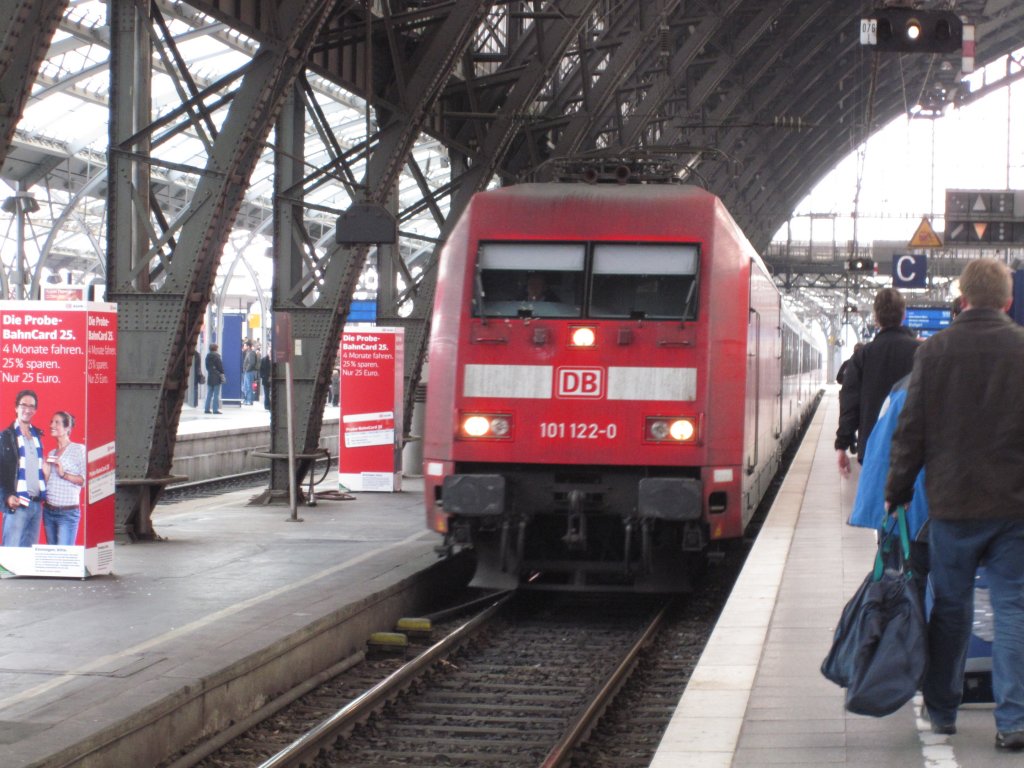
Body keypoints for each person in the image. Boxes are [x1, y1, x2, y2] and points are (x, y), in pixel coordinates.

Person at [886, 258, 1024, 750]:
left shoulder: (936, 349)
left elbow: (912, 429)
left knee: (950, 607)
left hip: (952, 504)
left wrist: (896, 491)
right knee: (1013, 609)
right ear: (1007, 302)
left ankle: (943, 711)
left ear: (962, 299)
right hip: (1014, 509)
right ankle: (1013, 721)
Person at [835, 287, 918, 476]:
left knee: (876, 498)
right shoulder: (921, 353)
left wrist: (842, 445)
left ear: (876, 318)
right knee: (905, 502)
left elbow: (850, 403)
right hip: (911, 448)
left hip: (872, 447)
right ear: (903, 315)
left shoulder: (862, 356)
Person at [0, 389, 46, 547]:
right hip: (17, 504)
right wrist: (6, 496)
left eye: (31, 406)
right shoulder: (6, 436)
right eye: (23, 405)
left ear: (35, 410)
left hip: (36, 505)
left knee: (29, 559)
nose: (27, 409)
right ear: (16, 407)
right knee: (10, 558)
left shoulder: (37, 437)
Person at [41, 411, 85, 546]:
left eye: (56, 422)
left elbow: (84, 481)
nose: (51, 425)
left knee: (64, 556)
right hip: (48, 510)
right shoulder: (51, 453)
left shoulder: (79, 449)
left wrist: (64, 474)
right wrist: (46, 474)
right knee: (52, 555)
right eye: (51, 422)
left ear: (67, 428)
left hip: (67, 512)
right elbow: (48, 483)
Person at [205, 343, 225, 415]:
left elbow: (207, 367)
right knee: (216, 394)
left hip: (210, 376)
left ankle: (206, 409)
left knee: (209, 393)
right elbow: (220, 367)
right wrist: (222, 373)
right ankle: (215, 409)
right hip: (216, 377)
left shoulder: (207, 356)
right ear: (216, 349)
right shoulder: (217, 356)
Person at [241, 340, 258, 405]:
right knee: (246, 386)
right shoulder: (248, 352)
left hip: (249, 372)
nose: (244, 346)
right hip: (247, 372)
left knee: (248, 386)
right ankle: (247, 400)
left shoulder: (251, 353)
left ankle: (249, 400)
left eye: (245, 345)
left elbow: (251, 363)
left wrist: (246, 370)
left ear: (248, 346)